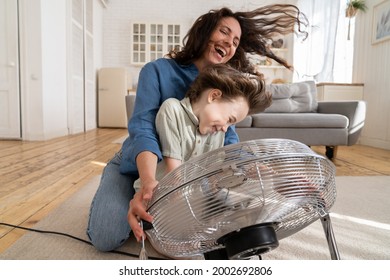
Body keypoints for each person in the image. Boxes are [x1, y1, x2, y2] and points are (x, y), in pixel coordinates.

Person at [87, 4, 308, 251]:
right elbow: (143, 129)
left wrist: (276, 175)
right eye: (224, 32)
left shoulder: (226, 90)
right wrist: (148, 183)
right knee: (106, 236)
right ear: (205, 32)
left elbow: (230, 146)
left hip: (177, 177)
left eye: (236, 41)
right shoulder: (158, 71)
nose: (230, 43)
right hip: (134, 167)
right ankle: (121, 192)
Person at [132, 64, 271, 195]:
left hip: (190, 194)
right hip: (157, 195)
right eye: (229, 119)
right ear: (214, 96)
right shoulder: (173, 110)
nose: (225, 128)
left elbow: (211, 175)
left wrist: (250, 172)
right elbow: (174, 175)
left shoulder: (216, 131)